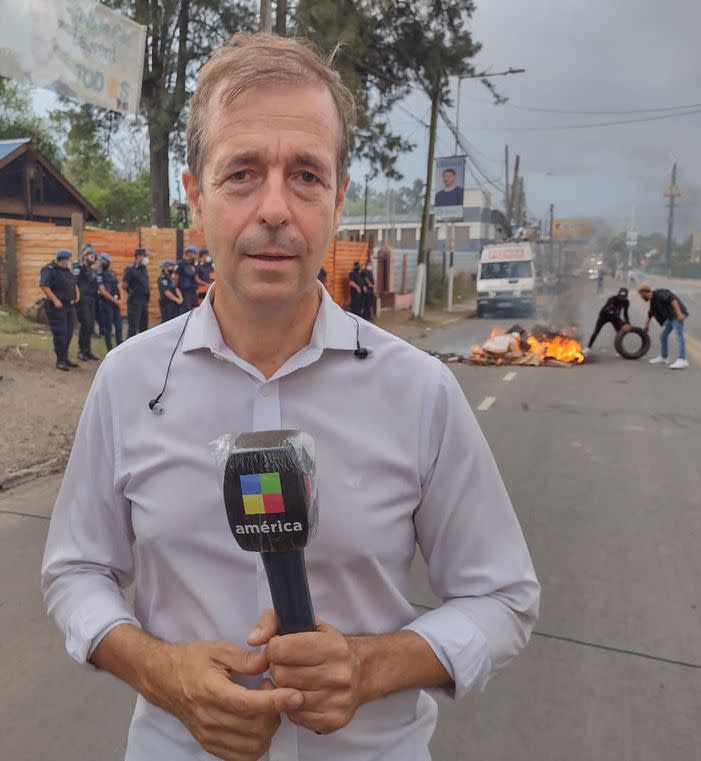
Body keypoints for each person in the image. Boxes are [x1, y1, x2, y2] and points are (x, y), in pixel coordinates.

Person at [42, 33, 539, 761]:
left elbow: (503, 597)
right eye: (242, 172)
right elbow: (77, 570)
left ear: (338, 196)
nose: (275, 207)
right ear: (194, 192)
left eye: (305, 174)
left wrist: (371, 666)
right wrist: (162, 671)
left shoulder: (418, 390)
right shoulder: (128, 380)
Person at [39, 248, 79, 371]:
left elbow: (74, 283)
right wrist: (55, 300)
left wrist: (77, 295)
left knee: (68, 332)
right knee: (60, 333)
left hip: (68, 306)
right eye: (68, 260)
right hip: (56, 307)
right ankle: (60, 360)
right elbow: (44, 286)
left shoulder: (67, 270)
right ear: (62, 260)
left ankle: (65, 357)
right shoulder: (49, 270)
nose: (70, 262)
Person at [640, 284, 689, 369]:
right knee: (663, 336)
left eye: (643, 296)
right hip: (671, 317)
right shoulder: (653, 300)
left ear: (646, 292)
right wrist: (646, 325)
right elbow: (651, 313)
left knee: (679, 335)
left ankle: (682, 359)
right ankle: (664, 357)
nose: (643, 298)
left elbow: (673, 300)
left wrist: (679, 314)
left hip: (677, 315)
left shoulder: (660, 294)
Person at [72, 247, 100, 361]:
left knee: (90, 326)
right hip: (83, 299)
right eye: (90, 256)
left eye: (93, 257)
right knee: (85, 324)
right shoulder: (80, 268)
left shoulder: (93, 269)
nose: (92, 258)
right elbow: (74, 282)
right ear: (85, 256)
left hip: (92, 299)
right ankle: (81, 350)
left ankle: (88, 350)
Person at [585, 287, 631, 354]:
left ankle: (619, 350)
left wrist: (628, 323)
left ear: (626, 297)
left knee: (619, 333)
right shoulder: (612, 299)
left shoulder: (626, 302)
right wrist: (623, 323)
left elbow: (625, 313)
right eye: (620, 297)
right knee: (596, 331)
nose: (621, 299)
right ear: (618, 295)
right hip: (604, 316)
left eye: (623, 298)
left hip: (614, 318)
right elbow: (613, 312)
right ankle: (588, 348)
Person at [96, 253, 123, 352]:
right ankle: (110, 350)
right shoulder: (99, 274)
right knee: (108, 329)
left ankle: (120, 348)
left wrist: (121, 300)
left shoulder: (112, 273)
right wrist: (115, 301)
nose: (103, 262)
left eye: (105, 261)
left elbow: (118, 286)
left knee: (119, 327)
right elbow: (102, 291)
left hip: (115, 304)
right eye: (102, 260)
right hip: (106, 304)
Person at [123, 248, 150, 337]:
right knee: (133, 326)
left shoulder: (144, 268)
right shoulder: (130, 269)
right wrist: (131, 292)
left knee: (144, 326)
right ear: (138, 257)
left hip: (144, 300)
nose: (146, 259)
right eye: (144, 256)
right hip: (135, 301)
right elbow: (124, 285)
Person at [177, 245, 199, 313]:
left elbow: (195, 277)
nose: (195, 255)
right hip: (185, 290)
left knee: (194, 308)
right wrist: (177, 289)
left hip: (193, 290)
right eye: (193, 253)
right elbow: (175, 277)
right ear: (188, 253)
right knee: (186, 309)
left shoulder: (192, 264)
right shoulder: (181, 263)